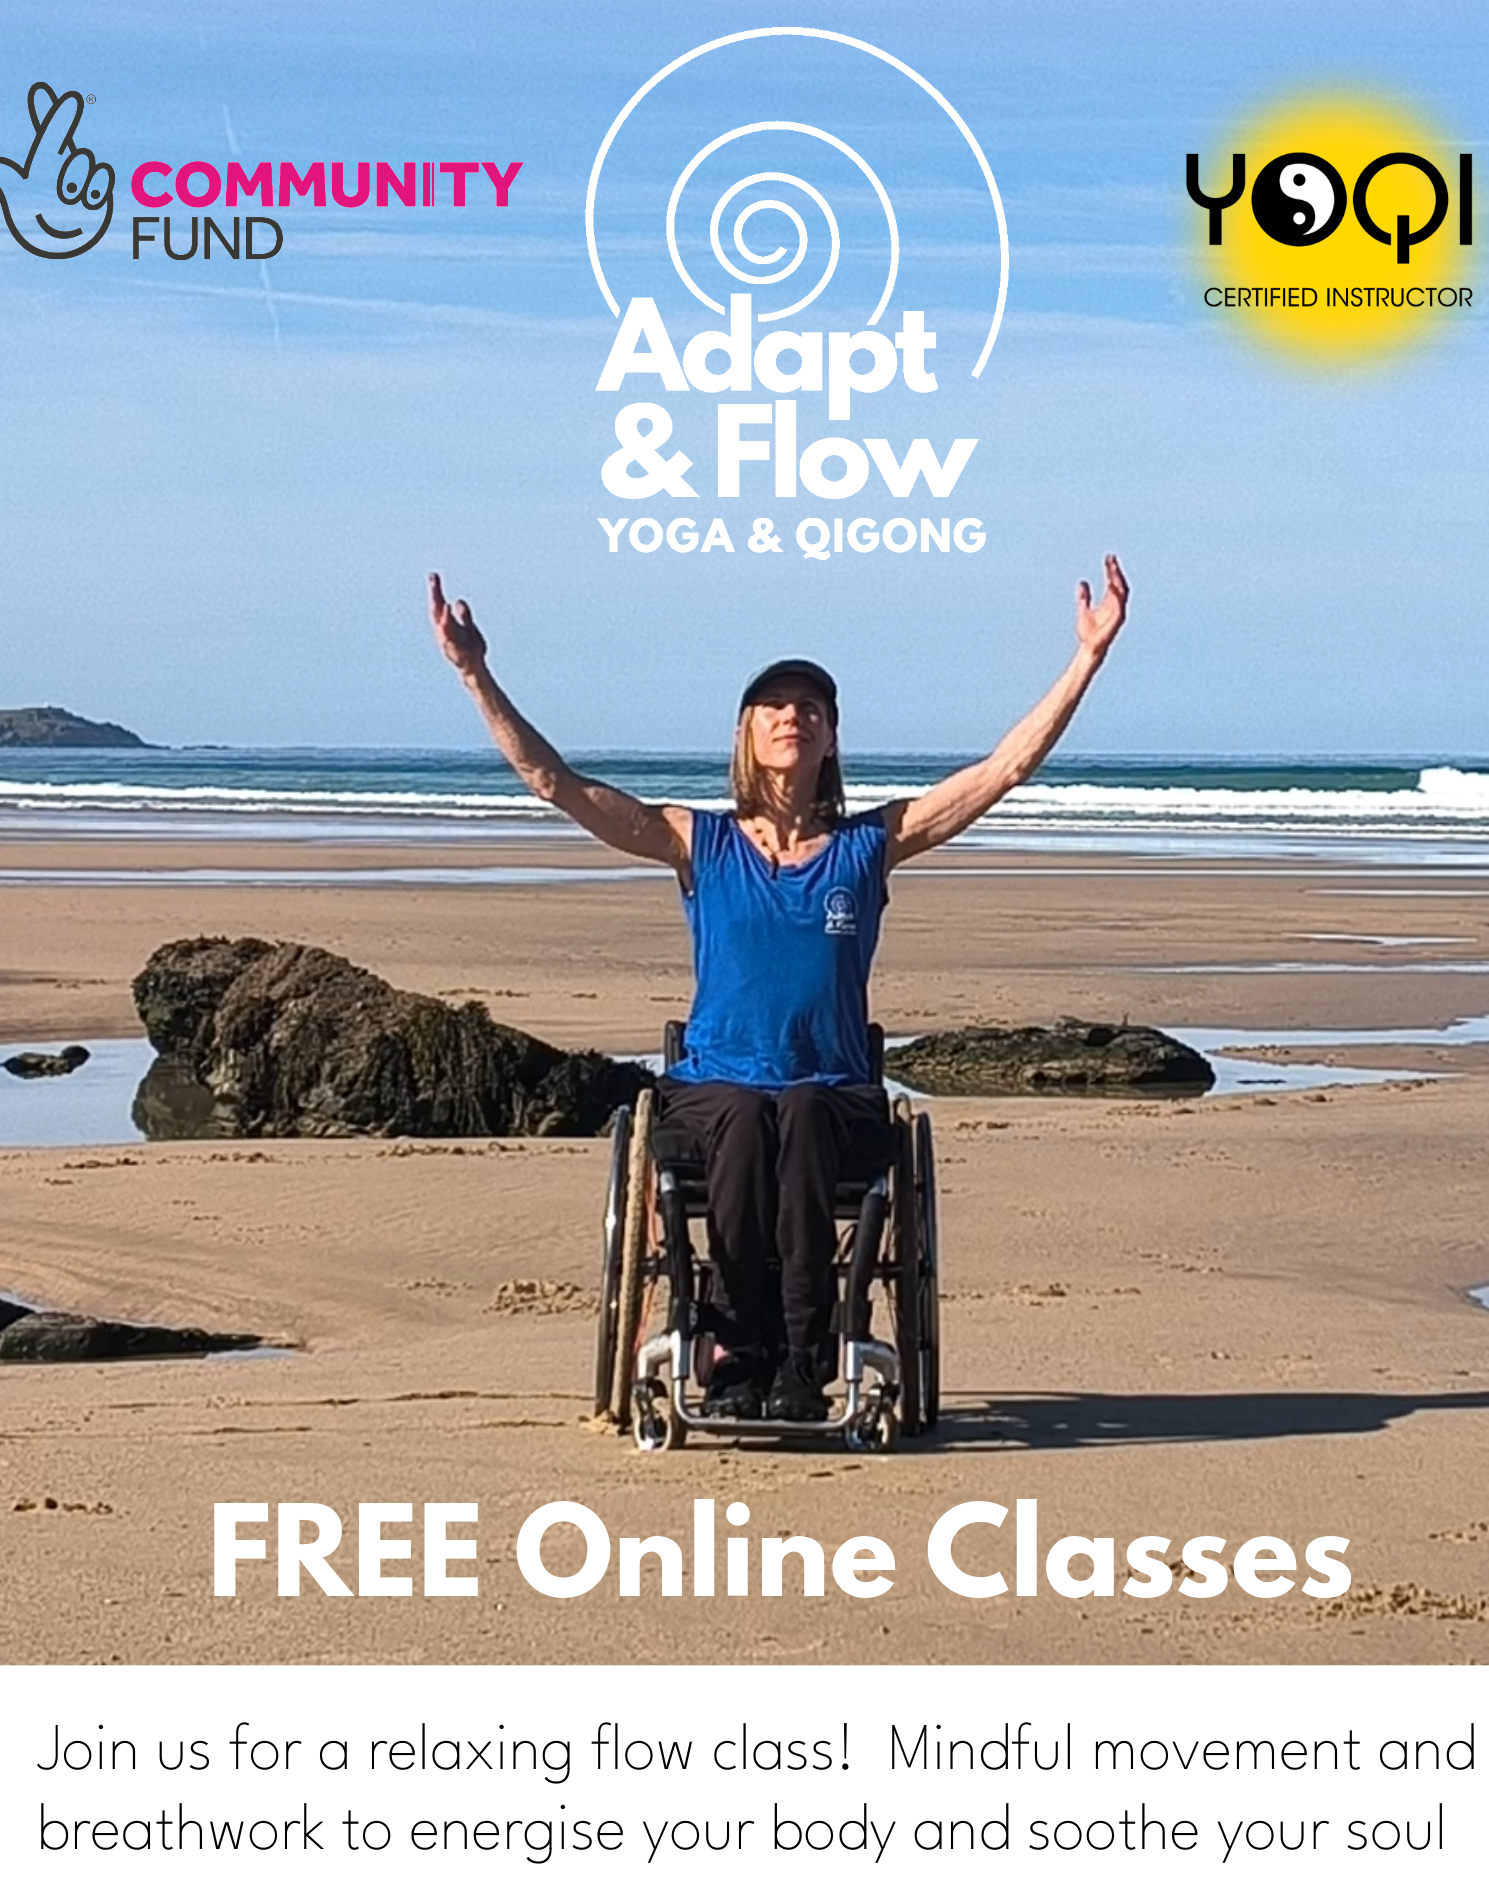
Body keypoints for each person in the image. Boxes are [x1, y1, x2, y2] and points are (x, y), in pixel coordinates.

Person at [429, 557, 1129, 1420]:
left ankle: (804, 1357)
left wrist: (1085, 660)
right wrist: (475, 673)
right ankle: (735, 1352)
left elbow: (999, 775)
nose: (793, 715)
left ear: (831, 737)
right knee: (747, 1117)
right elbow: (557, 785)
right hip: (712, 1086)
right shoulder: (700, 843)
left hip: (833, 1091)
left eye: (811, 707)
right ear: (748, 735)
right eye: (776, 706)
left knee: (793, 1113)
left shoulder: (867, 844)